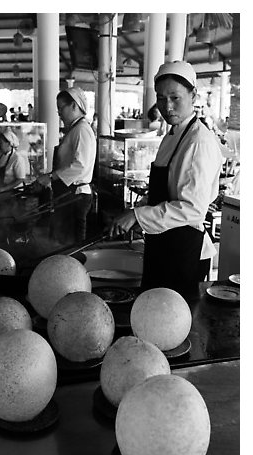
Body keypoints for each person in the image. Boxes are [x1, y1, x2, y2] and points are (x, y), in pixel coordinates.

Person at [109, 60, 223, 298]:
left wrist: (139, 216)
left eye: (175, 97)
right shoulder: (171, 135)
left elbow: (192, 209)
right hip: (163, 243)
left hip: (184, 251)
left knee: (171, 323)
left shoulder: (199, 141)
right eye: (161, 98)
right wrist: (139, 209)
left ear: (193, 95)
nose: (167, 106)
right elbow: (166, 192)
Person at [37, 86, 96, 244]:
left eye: (60, 108)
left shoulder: (82, 130)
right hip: (70, 193)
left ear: (74, 106)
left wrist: (51, 176)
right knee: (62, 237)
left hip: (76, 194)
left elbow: (80, 165)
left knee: (71, 242)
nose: (59, 113)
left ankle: (72, 267)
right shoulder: (76, 129)